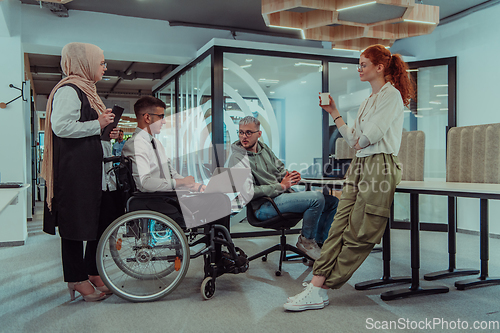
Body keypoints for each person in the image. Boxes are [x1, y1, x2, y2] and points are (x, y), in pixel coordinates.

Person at [283, 44, 414, 311]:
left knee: (360, 231)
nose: (359, 69)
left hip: (379, 165)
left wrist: (359, 141)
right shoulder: (368, 101)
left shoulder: (392, 96)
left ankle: (322, 287)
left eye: (363, 64)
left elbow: (368, 137)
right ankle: (317, 285)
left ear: (379, 67)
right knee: (338, 227)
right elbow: (355, 139)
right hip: (360, 164)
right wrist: (334, 111)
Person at [42, 42, 120, 302]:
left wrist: (107, 130)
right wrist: (97, 123)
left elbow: (87, 129)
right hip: (74, 172)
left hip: (90, 170)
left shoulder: (88, 91)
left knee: (101, 218)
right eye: (101, 62)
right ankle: (76, 278)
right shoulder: (69, 90)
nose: (105, 67)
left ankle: (91, 270)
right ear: (83, 63)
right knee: (74, 225)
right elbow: (61, 127)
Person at [227, 116, 339, 261]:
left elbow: (279, 170)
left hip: (281, 197)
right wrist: (280, 186)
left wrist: (290, 175)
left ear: (259, 134)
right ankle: (306, 242)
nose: (244, 136)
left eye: (248, 132)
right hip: (263, 206)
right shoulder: (237, 158)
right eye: (241, 132)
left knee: (332, 201)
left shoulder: (264, 148)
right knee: (316, 198)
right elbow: (247, 192)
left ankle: (319, 245)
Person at [121, 96, 231, 229]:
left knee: (221, 198)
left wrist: (193, 185)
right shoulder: (136, 144)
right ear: (147, 118)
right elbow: (145, 184)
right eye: (161, 116)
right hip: (155, 200)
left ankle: (216, 244)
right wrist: (181, 183)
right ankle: (217, 245)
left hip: (167, 197)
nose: (164, 121)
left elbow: (170, 172)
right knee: (219, 201)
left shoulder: (155, 143)